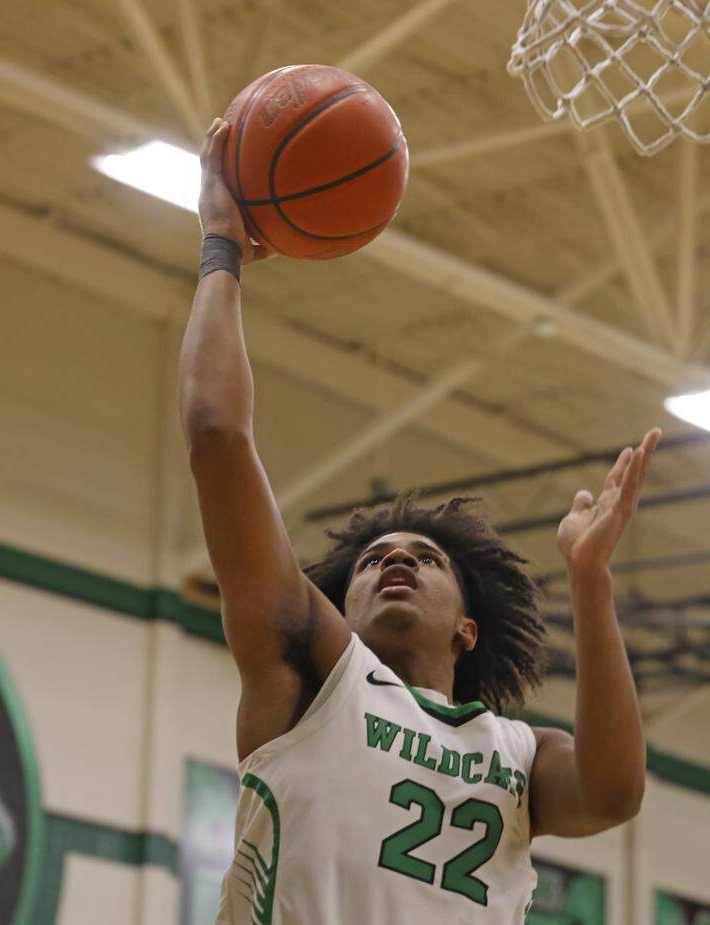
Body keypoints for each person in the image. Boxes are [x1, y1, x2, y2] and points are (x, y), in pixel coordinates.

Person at [182, 117, 660, 925]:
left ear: (468, 629)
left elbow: (614, 791)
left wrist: (590, 580)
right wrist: (219, 248)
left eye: (426, 559)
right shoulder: (309, 674)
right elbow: (216, 436)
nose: (394, 562)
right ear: (344, 609)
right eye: (371, 561)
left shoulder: (517, 757)